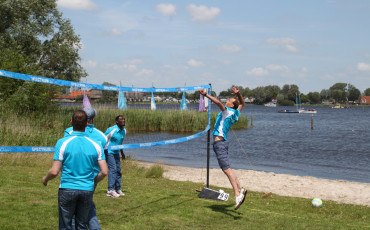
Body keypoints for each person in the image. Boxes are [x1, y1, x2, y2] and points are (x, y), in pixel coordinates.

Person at [42, 110, 108, 229]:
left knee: (65, 225)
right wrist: (94, 180)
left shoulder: (62, 142)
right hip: (87, 189)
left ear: (71, 122)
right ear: (87, 124)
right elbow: (104, 172)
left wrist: (45, 179)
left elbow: (54, 171)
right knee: (81, 225)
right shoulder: (96, 144)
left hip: (67, 188)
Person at [198, 87, 247, 210]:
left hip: (220, 143)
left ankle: (237, 195)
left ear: (231, 105)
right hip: (222, 143)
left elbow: (218, 102)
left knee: (226, 170)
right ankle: (240, 190)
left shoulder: (227, 111)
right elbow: (242, 103)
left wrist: (206, 95)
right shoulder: (236, 112)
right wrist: (238, 94)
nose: (226, 101)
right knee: (228, 169)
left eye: (229, 101)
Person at [64, 107, 107, 230]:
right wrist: (96, 179)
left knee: (71, 211)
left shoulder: (69, 132)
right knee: (87, 206)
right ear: (93, 119)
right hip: (91, 178)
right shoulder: (102, 137)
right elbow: (102, 162)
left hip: (71, 177)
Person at [104, 115, 126, 198]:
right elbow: (103, 139)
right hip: (108, 151)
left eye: (124, 119)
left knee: (118, 170)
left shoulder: (124, 130)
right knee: (113, 170)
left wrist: (122, 153)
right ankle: (110, 190)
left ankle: (118, 189)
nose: (123, 120)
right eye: (121, 119)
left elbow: (120, 143)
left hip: (116, 152)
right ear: (117, 121)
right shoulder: (111, 130)